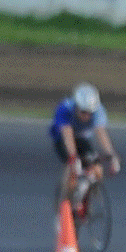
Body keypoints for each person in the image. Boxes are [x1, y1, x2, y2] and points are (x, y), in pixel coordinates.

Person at [51, 83, 118, 212]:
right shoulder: (65, 109)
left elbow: (101, 133)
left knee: (97, 168)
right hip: (62, 137)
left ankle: (84, 197)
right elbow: (67, 134)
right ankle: (64, 205)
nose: (86, 116)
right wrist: (73, 157)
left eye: (90, 113)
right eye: (83, 112)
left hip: (81, 138)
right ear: (76, 106)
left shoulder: (98, 111)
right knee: (72, 168)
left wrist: (112, 155)